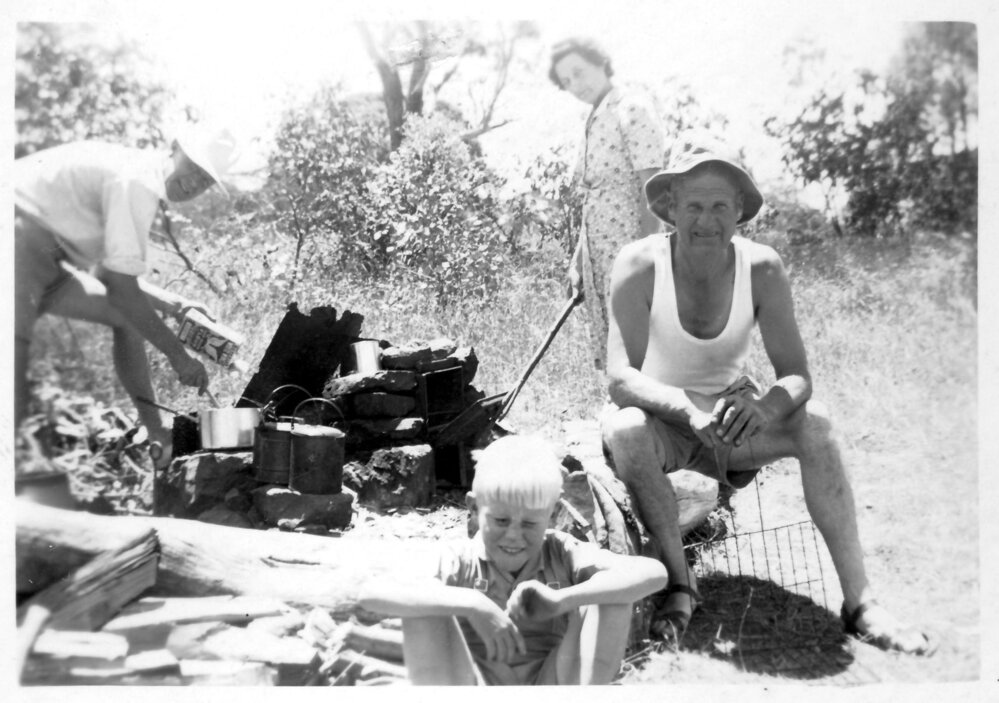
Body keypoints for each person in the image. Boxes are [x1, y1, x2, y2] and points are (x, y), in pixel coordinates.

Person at [600, 134, 934, 654]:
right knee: (624, 429)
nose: (706, 220)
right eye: (693, 206)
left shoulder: (762, 267)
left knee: (817, 422)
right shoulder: (639, 263)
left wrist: (762, 407)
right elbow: (621, 379)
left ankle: (862, 602)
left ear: (739, 210)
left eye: (719, 206)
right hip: (663, 420)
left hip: (732, 422)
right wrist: (686, 409)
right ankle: (680, 585)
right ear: (670, 207)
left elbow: (797, 375)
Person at [359, 435, 667, 685]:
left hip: (555, 683)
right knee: (424, 604)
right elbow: (372, 593)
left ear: (553, 515)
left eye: (530, 523)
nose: (514, 536)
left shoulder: (561, 550)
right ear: (474, 508)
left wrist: (562, 600)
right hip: (471, 685)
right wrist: (471, 603)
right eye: (501, 520)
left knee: (612, 593)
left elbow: (653, 573)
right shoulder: (458, 557)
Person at [14, 128, 237, 466]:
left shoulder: (138, 173)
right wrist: (179, 358)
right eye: (192, 167)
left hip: (49, 260)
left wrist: (176, 305)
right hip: (18, 236)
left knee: (125, 321)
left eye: (205, 180)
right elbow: (122, 290)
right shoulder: (138, 182)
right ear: (174, 148)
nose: (194, 183)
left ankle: (158, 437)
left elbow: (112, 275)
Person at [549, 37, 665, 370]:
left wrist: (644, 257)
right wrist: (578, 261)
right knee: (617, 350)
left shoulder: (631, 107)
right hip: (598, 254)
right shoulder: (594, 118)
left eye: (578, 72)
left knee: (643, 344)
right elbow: (592, 199)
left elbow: (654, 187)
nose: (575, 85)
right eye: (567, 81)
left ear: (600, 61)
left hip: (630, 248)